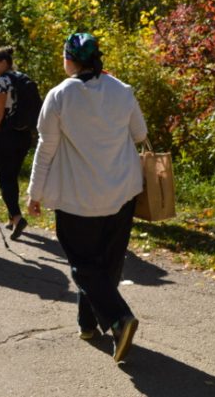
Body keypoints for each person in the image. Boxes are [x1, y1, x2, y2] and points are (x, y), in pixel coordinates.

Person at [27, 33, 147, 363]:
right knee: (106, 261)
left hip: (77, 199)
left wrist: (34, 193)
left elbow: (46, 149)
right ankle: (87, 323)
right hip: (122, 193)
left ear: (70, 60)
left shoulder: (59, 96)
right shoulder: (121, 90)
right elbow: (140, 134)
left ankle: (120, 319)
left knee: (83, 266)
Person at [0, 46, 34, 239]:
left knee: (4, 179)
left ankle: (17, 217)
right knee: (11, 177)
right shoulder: (22, 78)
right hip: (23, 135)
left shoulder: (0, 82)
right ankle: (11, 217)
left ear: (3, 62)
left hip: (5, 136)